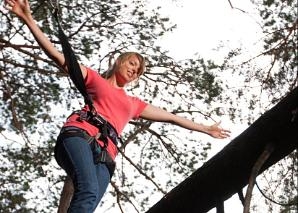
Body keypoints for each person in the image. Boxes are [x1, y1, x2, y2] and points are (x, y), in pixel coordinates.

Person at [5, 0, 231, 212]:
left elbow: (172, 117)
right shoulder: (95, 80)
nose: (135, 70)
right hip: (80, 135)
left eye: (138, 71)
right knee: (89, 189)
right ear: (119, 62)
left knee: (89, 200)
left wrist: (204, 128)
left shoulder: (133, 104)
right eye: (132, 63)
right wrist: (29, 20)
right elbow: (58, 55)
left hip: (106, 154)